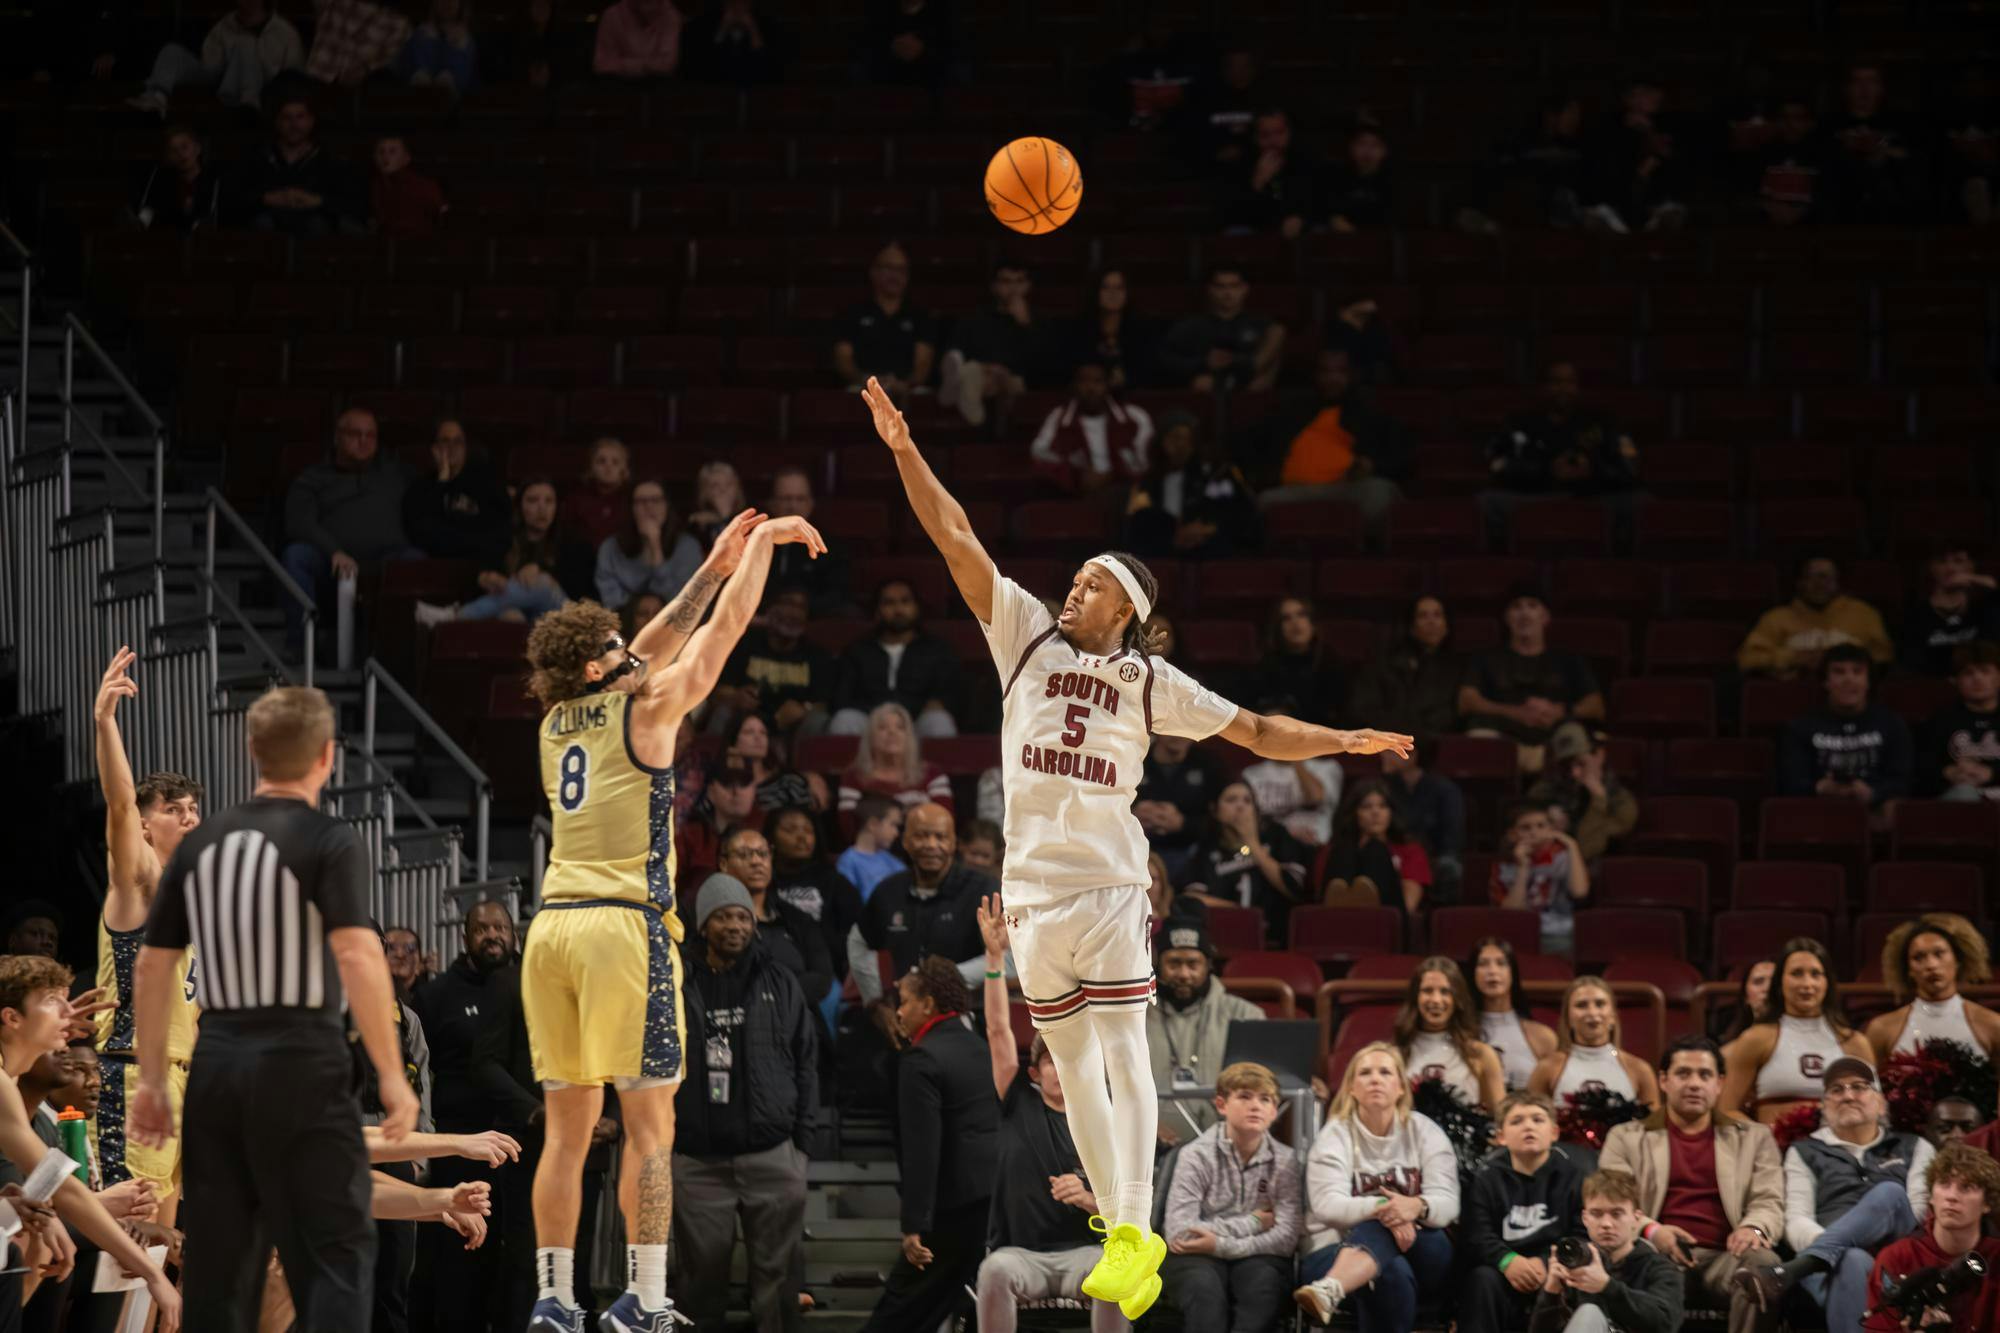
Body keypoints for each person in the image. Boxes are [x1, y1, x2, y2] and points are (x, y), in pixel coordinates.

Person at [861, 376, 1411, 1318]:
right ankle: (1127, 1235)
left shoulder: (1151, 679)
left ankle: (1129, 1226)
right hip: (1030, 890)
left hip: (1112, 882)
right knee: (1073, 1070)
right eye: (1074, 579)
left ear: (1127, 610)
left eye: (1092, 586)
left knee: (1123, 1053)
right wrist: (906, 449)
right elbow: (957, 540)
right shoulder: (1026, 638)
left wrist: (1347, 739)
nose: (1073, 590)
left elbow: (1261, 730)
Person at [515, 507, 823, 1332]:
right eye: (616, 649)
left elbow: (654, 639)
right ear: (595, 665)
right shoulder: (647, 712)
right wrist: (757, 552)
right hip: (623, 926)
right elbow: (720, 635)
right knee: (653, 1130)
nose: (635, 654)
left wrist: (710, 562)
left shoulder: (556, 722)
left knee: (567, 1134)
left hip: (551, 932)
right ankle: (645, 1299)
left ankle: (552, 1298)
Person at [132, 685, 418, 1330]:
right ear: (327, 757)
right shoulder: (329, 840)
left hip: (218, 1066)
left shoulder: (203, 845)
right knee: (335, 1252)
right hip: (303, 1061)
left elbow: (152, 966)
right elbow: (358, 956)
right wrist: (394, 1077)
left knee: (221, 1262)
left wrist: (152, 1080)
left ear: (252, 750)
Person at [0, 956, 183, 1327]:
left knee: (44, 1239)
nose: (68, 1011)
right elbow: (68, 1193)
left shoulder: (12, 1083)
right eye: (52, 1000)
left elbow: (55, 1192)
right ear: (12, 1018)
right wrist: (151, 1273)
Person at [671, 876, 817, 1333]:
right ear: (702, 925)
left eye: (742, 917)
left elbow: (806, 1061)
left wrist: (802, 1143)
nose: (734, 926)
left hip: (772, 1154)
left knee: (778, 1283)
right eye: (722, 916)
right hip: (698, 1160)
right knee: (699, 1283)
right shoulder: (676, 982)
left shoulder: (781, 981)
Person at [970, 897, 1123, 1333]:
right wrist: (995, 957)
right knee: (994, 1272)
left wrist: (1092, 1198)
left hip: (1086, 1253)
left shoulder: (1105, 1117)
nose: (1061, 1067)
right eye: (1050, 1060)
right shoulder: (1018, 1100)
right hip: (1021, 1255)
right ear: (1036, 1072)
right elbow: (998, 1030)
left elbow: (1133, 1218)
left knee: (1115, 1273)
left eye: (1069, 1056)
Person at [89, 648, 202, 1227]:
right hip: (133, 1076)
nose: (189, 818)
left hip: (184, 1081)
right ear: (144, 823)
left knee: (165, 1248)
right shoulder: (138, 883)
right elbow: (118, 801)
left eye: (194, 810)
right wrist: (106, 722)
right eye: (175, 809)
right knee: (131, 1251)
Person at [408, 900, 546, 1333]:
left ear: (515, 933)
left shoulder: (534, 984)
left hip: (522, 1144)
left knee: (519, 1256)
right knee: (459, 1260)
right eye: (482, 928)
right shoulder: (437, 995)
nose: (494, 935)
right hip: (459, 1145)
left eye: (501, 927)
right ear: (465, 937)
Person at [1595, 1036, 1783, 1333]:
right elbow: (1611, 1202)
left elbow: (1769, 1199)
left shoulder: (1754, 1137)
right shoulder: (1626, 1137)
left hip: (1727, 1257)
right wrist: (1652, 1230)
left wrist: (1754, 1227)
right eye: (1683, 1074)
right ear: (1663, 1080)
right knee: (1631, 1264)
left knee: (1764, 1266)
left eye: (1705, 1075)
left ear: (1719, 1083)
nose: (1694, 1083)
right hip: (1656, 1254)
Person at [1732, 1056, 1933, 1329]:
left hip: (1898, 1261)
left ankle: (1789, 1272)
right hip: (1830, 1269)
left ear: (1880, 1102)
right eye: (1836, 1090)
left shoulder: (1914, 1146)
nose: (1848, 1096)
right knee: (1852, 1258)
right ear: (1824, 1106)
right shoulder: (1805, 1151)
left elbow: (1921, 1211)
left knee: (1890, 1193)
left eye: (1859, 1087)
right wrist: (1840, 1247)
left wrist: (1849, 1238)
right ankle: (1820, 1259)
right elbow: (1796, 1219)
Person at [857, 956, 995, 1332]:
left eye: (903, 1001)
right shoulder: (978, 1047)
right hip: (989, 1205)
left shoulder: (921, 1059)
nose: (898, 1012)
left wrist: (913, 1224)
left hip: (947, 1211)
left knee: (898, 1314)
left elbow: (923, 1149)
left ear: (929, 1004)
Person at [1293, 1041, 1460, 1327]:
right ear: (1351, 1088)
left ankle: (1330, 1289)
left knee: (1388, 1244)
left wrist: (1416, 1206)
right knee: (1388, 1270)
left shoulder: (1425, 1132)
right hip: (1332, 1251)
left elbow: (1448, 1205)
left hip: (1423, 1249)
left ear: (1400, 1087)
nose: (1375, 1079)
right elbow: (1327, 1206)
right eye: (1365, 1073)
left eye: (1385, 1072)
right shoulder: (1334, 1136)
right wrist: (1388, 1208)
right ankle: (1330, 1285)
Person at [1159, 1061, 1302, 1333]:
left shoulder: (1285, 1160)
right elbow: (1179, 1232)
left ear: (1274, 1110)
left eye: (1265, 1099)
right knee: (1204, 1293)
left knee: (1263, 1290)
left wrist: (1219, 1244)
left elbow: (1286, 1237)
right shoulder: (1195, 1155)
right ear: (1221, 1104)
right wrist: (1253, 1223)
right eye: (1245, 1096)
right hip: (1197, 1254)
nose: (1256, 1106)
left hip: (1257, 1253)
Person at [281, 407, 419, 656]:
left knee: (417, 561)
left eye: (371, 435)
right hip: (331, 567)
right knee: (296, 556)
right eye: (356, 434)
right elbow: (298, 522)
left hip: (384, 566)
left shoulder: (395, 475)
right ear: (338, 437)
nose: (364, 441)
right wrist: (333, 550)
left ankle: (397, 655)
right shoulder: (314, 478)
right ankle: (301, 646)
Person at [1460, 1092, 1588, 1333]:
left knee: (1578, 1277)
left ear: (1554, 1132)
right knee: (1481, 1279)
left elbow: (1582, 1233)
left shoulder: (1576, 1176)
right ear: (1501, 1137)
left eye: (1538, 1120)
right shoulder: (1486, 1178)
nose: (1528, 1126)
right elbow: (1476, 1235)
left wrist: (1546, 1264)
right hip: (1503, 1267)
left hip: (1557, 1265)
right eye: (1517, 1121)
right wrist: (1508, 1261)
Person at [1721, 938, 1875, 1127]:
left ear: (1828, 983)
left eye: (1816, 974)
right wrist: (1764, 1139)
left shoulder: (1855, 1043)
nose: (1807, 983)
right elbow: (1725, 1110)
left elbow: (1877, 1114)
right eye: (1797, 973)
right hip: (1775, 1153)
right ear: (1779, 983)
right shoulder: (1756, 1039)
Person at [1248, 348, 1410, 527]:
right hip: (1296, 490)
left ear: (1352, 375)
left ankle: (1361, 549)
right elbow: (1252, 443)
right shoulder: (1291, 410)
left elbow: (1402, 457)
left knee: (1380, 492)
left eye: (1340, 372)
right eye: (1326, 372)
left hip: (1348, 488)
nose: (1333, 379)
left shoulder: (1369, 414)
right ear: (1316, 375)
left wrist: (1371, 465)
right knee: (1265, 500)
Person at [851, 803, 988, 1013]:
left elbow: (1006, 956)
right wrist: (874, 1000)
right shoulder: (888, 891)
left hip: (969, 1016)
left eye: (941, 837)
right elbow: (857, 942)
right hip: (905, 1015)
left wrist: (935, 982)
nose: (931, 845)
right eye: (921, 836)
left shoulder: (984, 890)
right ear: (905, 841)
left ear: (954, 844)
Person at [1481, 362, 1641, 541]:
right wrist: (1546, 469)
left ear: (1578, 387)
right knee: (1489, 501)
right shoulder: (1519, 423)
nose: (1563, 388)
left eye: (1569, 382)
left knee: (1640, 502)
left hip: (1591, 496)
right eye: (1556, 382)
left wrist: (1593, 469)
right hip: (1536, 496)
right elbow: (1496, 463)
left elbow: (1629, 467)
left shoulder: (1604, 422)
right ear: (1543, 387)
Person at [415, 478, 595, 628]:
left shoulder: (572, 543)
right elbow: (483, 568)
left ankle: (453, 617)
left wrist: (543, 571)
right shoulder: (504, 539)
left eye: (549, 501)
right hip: (534, 622)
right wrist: (486, 577)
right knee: (511, 615)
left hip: (568, 620)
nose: (542, 509)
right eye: (533, 501)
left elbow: (581, 594)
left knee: (542, 583)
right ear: (520, 506)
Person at [1148, 918, 1266, 1146]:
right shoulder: (1134, 1017)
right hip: (1144, 1148)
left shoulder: (1246, 1015)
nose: (1183, 974)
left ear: (1208, 965)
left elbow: (1263, 1085)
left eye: (1193, 964)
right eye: (1174, 963)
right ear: (1158, 964)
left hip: (1227, 1147)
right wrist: (1142, 1127)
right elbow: (1106, 1086)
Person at [1459, 587, 1607, 768]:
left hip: (1555, 737)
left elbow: (1596, 706)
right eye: (1516, 607)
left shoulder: (1569, 660)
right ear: (1507, 618)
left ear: (1545, 617)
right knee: (1478, 735)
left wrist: (1558, 711)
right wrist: (1515, 712)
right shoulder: (1486, 659)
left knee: (1578, 735)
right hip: (1504, 735)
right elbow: (1467, 701)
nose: (1524, 613)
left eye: (1532, 606)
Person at [1862, 1143, 2000, 1330]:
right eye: (1944, 1184)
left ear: (1987, 1203)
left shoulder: (1995, 1256)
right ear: (1931, 1196)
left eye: (1966, 1187)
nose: (1951, 1196)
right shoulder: (1898, 1257)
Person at [1527, 1168, 1684, 1333]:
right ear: (1585, 1219)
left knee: (1590, 1312)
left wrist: (1606, 1286)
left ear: (1636, 1219)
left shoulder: (1661, 1268)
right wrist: (1551, 1292)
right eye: (1597, 1214)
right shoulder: (1575, 1265)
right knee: (1589, 1313)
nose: (1606, 1224)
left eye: (1617, 1214)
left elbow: (1666, 1324)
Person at [1776, 644, 1913, 807]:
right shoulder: (1800, 727)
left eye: (1857, 671)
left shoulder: (1891, 724)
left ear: (1868, 681)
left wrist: (1873, 792)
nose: (1849, 679)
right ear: (1825, 681)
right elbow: (1789, 782)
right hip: (1817, 811)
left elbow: (1904, 781)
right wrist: (1820, 787)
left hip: (1874, 810)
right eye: (1839, 672)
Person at [712, 827, 834, 1004]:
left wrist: (770, 996)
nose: (756, 861)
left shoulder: (796, 918)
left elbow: (822, 979)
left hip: (800, 1020)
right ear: (723, 863)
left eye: (763, 854)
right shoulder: (709, 921)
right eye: (745, 854)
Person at [1173, 781, 1308, 941]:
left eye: (1247, 800)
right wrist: (1242, 915)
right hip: (1225, 936)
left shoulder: (1277, 837)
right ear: (1215, 810)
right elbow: (1192, 899)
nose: (1240, 806)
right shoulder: (1207, 847)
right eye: (1231, 800)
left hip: (1276, 937)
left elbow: (1294, 889)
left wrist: (1251, 842)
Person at [1120, 410, 1260, 560]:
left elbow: (1240, 513)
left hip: (1209, 551)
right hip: (1164, 554)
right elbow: (1136, 525)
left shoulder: (1216, 474)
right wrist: (1173, 537)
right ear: (1161, 442)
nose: (1180, 445)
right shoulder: (1148, 482)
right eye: (1174, 438)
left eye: (1187, 439)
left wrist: (1207, 529)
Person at [829, 581, 962, 739]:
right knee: (844, 720)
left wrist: (938, 703)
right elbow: (842, 697)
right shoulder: (858, 650)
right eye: (889, 603)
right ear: (877, 610)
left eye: (905, 601)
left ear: (916, 607)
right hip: (870, 719)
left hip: (917, 718)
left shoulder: (937, 650)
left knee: (939, 722)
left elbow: (950, 693)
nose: (898, 609)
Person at [1866, 913, 2000, 1064]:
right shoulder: (1882, 1029)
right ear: (1908, 969)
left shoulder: (1993, 1025)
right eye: (1918, 957)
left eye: (1939, 953)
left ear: (1958, 960)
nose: (1931, 965)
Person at [128, 0, 302, 115]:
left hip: (263, 91)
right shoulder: (225, 26)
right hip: (223, 81)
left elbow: (292, 76)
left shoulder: (285, 32)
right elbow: (210, 65)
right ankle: (157, 98)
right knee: (172, 51)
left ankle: (247, 108)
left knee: (245, 46)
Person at [1738, 556, 1895, 680]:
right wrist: (1794, 657)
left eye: (1826, 577)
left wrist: (1842, 660)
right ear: (1800, 582)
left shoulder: (1864, 615)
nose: (1819, 584)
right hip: (1792, 699)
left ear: (1838, 581)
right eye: (1812, 577)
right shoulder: (1776, 618)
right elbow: (1747, 660)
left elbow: (1883, 657)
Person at [712, 584, 834, 740]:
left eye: (801, 607)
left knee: (817, 720)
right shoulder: (744, 645)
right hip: (746, 721)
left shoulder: (816, 655)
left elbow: (822, 704)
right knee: (723, 712)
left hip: (793, 726)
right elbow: (718, 692)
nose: (794, 612)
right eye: (787, 604)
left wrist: (805, 709)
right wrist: (735, 697)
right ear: (770, 608)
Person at [943, 259, 1055, 427]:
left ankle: (957, 392)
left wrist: (1025, 324)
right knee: (971, 369)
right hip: (983, 376)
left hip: (1017, 383)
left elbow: (1045, 366)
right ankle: (961, 385)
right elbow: (958, 348)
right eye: (1006, 281)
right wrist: (989, 369)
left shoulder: (1040, 321)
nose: (1013, 288)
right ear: (994, 286)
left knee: (973, 373)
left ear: (1028, 286)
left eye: (1019, 281)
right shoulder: (976, 318)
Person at [1394, 956, 1507, 1114]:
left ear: (1457, 999)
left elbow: (1501, 1120)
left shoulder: (1482, 1054)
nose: (1436, 1000)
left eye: (1445, 992)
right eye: (1427, 991)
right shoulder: (1395, 1054)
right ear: (1415, 997)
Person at [1529, 977, 1660, 1112]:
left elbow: (1654, 1128)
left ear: (1613, 1016)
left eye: (1600, 1004)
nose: (1592, 1013)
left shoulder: (1639, 1069)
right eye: (1581, 1005)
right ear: (1568, 1018)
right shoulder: (1547, 1068)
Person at [768, 805, 864, 990]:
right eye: (790, 830)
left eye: (808, 830)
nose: (802, 837)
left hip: (826, 973)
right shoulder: (762, 883)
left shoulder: (834, 881)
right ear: (770, 838)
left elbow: (854, 935)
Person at [1579, 76, 1688, 234]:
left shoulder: (1665, 125)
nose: (1656, 98)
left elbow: (1672, 162)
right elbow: (1606, 171)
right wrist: (1638, 174)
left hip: (1653, 201)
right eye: (1648, 93)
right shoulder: (1607, 128)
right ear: (1632, 97)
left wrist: (1650, 135)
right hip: (1616, 202)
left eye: (1656, 95)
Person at [1350, 597, 1466, 743]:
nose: (1431, 622)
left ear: (1447, 625)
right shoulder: (1385, 662)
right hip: (1386, 743)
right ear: (1411, 626)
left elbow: (1449, 715)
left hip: (1435, 745)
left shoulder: (1458, 667)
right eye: (1423, 616)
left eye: (1437, 615)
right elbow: (1365, 709)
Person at [238, 96, 359, 236]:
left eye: (300, 117)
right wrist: (266, 198)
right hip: (268, 223)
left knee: (319, 225)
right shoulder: (258, 157)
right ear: (277, 122)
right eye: (286, 117)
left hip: (315, 226)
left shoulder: (330, 160)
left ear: (311, 120)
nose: (293, 124)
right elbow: (236, 197)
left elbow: (350, 203)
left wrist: (317, 201)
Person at [1029, 362, 1155, 495]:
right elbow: (1039, 454)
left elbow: (1147, 461)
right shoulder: (1058, 417)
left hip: (1125, 493)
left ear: (1108, 385)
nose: (1090, 388)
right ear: (1074, 386)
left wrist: (1112, 476)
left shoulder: (1134, 417)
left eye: (1097, 381)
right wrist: (1076, 475)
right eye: (1084, 381)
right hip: (1076, 494)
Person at [1160, 264, 1285, 394]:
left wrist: (1236, 362)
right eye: (1220, 286)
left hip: (1250, 387)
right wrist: (1203, 363)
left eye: (1234, 286)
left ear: (1245, 289)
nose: (1227, 293)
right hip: (1204, 391)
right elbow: (1167, 360)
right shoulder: (1189, 327)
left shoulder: (1265, 327)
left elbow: (1265, 365)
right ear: (1209, 289)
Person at [401, 418, 510, 566]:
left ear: (465, 448)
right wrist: (443, 480)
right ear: (434, 448)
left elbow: (498, 530)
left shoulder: (485, 483)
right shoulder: (420, 488)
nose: (452, 447)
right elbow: (423, 532)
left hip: (478, 563)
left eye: (458, 442)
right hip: (437, 563)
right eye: (445, 441)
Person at [1319, 780, 1431, 922]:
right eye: (1366, 807)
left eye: (1382, 806)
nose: (1375, 812)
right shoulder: (1338, 852)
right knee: (1345, 850)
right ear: (1355, 814)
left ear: (1391, 812)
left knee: (1375, 849)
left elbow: (1408, 905)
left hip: (1387, 922)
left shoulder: (1410, 851)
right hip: (1337, 921)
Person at [832, 242, 935, 397]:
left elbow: (922, 364)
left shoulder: (920, 316)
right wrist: (865, 380)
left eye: (901, 270)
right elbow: (843, 359)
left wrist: (905, 384)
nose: (895, 276)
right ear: (873, 272)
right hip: (862, 388)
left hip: (906, 390)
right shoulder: (852, 313)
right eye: (888, 268)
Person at [1490, 800, 1592, 955]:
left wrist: (1572, 845)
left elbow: (1580, 892)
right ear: (1512, 834)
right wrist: (1523, 867)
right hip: (1518, 932)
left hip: (1559, 933)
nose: (1534, 832)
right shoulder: (1504, 865)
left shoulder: (1562, 857)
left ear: (1551, 829)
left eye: (1541, 826)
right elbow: (1511, 913)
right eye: (1526, 828)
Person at [1527, 724, 1637, 865]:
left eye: (1581, 763)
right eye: (1566, 766)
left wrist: (1598, 800)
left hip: (1596, 872)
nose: (1574, 773)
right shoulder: (1543, 792)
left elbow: (1586, 851)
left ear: (1599, 755)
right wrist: (1546, 824)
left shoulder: (1621, 803)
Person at [595, 478, 706, 611]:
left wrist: (655, 547)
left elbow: (680, 600)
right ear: (631, 509)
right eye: (641, 501)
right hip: (625, 624)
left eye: (656, 500)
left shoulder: (688, 547)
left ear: (666, 506)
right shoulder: (610, 548)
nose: (649, 507)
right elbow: (612, 601)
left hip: (674, 624)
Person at [835, 703, 954, 826]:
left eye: (900, 727)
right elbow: (849, 828)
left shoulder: (933, 775)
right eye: (882, 727)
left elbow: (944, 822)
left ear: (909, 737)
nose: (892, 732)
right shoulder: (854, 777)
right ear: (870, 737)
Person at [1473, 937, 1559, 1092]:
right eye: (1483, 964)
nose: (1492, 971)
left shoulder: (1543, 1037)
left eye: (1501, 963)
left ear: (1513, 972)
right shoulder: (1461, 1033)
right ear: (1472, 973)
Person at [1217, 106, 1320, 236]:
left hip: (1297, 233)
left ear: (1289, 133)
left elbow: (1315, 202)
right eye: (1265, 135)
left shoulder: (1304, 162)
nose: (1273, 141)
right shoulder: (1240, 166)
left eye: (1279, 133)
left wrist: (1301, 218)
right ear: (1255, 137)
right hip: (1256, 234)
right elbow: (1230, 215)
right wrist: (1258, 181)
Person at [1899, 545, 2000, 677]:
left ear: (1971, 566)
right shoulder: (1916, 614)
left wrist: (1979, 581)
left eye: (1958, 561)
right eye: (1942, 561)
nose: (1950, 568)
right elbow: (1911, 662)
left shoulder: (1984, 609)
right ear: (1931, 568)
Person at [1135, 733, 1228, 876]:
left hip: (1195, 853)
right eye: (1171, 728)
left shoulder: (1209, 763)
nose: (1178, 734)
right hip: (1141, 850)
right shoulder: (1136, 759)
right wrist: (1133, 815)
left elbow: (1222, 821)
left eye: (1183, 728)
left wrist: (1182, 823)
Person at [764, 469, 851, 618]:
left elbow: (837, 597)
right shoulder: (757, 542)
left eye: (800, 499)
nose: (792, 506)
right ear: (772, 504)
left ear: (810, 504)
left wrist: (797, 610)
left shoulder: (829, 546)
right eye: (786, 499)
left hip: (811, 625)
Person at [1247, 596, 1344, 728]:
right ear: (1278, 628)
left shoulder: (1330, 662)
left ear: (1312, 623)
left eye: (1301, 615)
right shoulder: (1266, 665)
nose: (1295, 622)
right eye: (1286, 618)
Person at [1924, 641, 2000, 800]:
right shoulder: (1941, 721)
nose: (1977, 678)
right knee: (1964, 793)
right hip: (1961, 796)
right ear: (1955, 680)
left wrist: (1992, 773)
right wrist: (1948, 772)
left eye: (1985, 671)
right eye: (1968, 673)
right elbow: (1921, 769)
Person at [1070, 269, 1162, 392]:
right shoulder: (1080, 329)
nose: (1112, 293)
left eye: (1119, 288)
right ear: (1096, 293)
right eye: (1106, 288)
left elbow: (1148, 370)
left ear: (1127, 293)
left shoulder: (1142, 330)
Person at [720, 713, 820, 812]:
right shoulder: (719, 784)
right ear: (732, 741)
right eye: (749, 732)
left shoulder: (789, 781)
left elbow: (803, 821)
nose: (758, 738)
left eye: (763, 733)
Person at [134, 124, 225, 231]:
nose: (180, 154)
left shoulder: (213, 180)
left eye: (184, 147)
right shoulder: (162, 181)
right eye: (173, 150)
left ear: (197, 148)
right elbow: (149, 210)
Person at [680, 0, 789, 85]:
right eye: (733, 2)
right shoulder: (704, 24)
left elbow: (772, 70)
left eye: (743, 2)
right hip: (714, 91)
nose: (738, 6)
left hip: (756, 93)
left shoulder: (768, 25)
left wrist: (754, 32)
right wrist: (722, 30)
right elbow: (700, 66)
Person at [861, 0, 960, 88]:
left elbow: (950, 48)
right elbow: (871, 44)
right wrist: (893, 47)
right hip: (888, 81)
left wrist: (923, 49)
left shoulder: (943, 11)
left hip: (932, 83)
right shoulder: (881, 10)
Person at [369, 134, 448, 238]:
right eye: (381, 152)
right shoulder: (376, 185)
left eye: (392, 152)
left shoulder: (424, 186)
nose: (385, 157)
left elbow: (442, 213)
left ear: (406, 158)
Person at [560, 438, 630, 551]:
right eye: (601, 461)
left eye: (615, 462)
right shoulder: (576, 500)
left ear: (624, 469)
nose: (608, 466)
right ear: (591, 468)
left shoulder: (632, 499)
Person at [398, 0, 479, 92]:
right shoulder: (421, 33)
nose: (447, 2)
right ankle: (421, 79)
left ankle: (447, 81)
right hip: (421, 85)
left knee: (463, 43)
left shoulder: (466, 39)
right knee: (422, 36)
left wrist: (457, 43)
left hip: (451, 91)